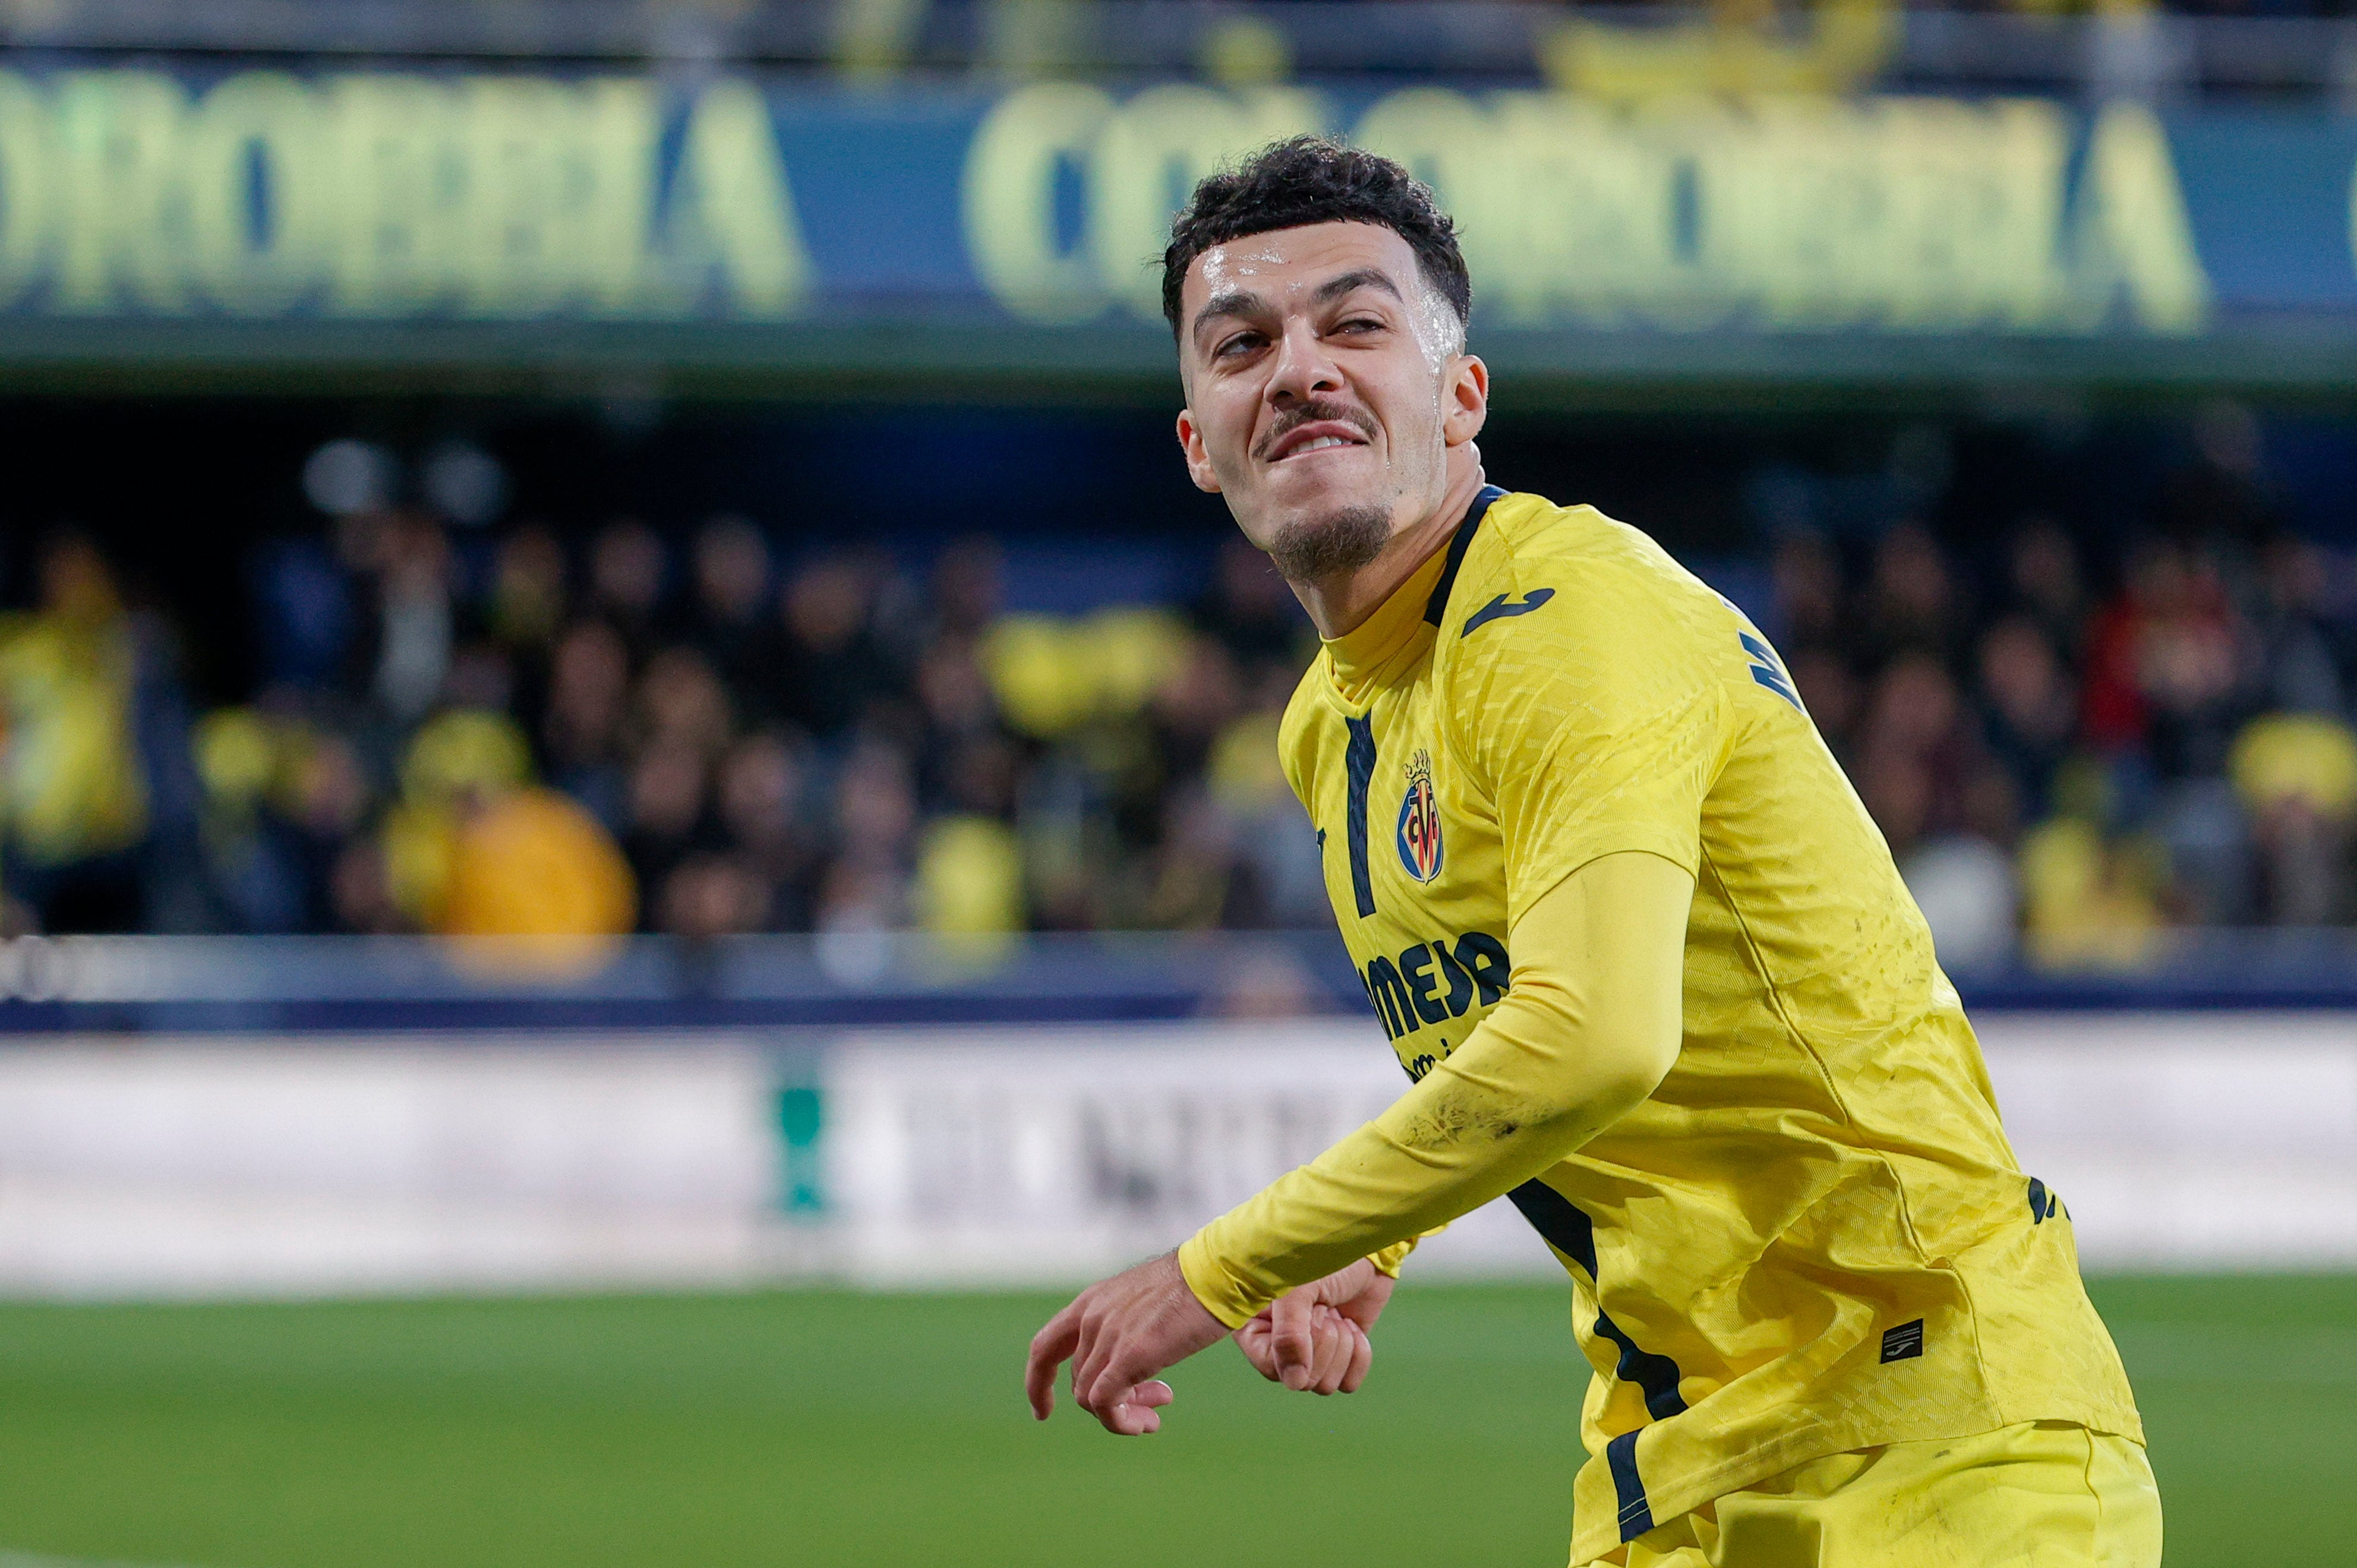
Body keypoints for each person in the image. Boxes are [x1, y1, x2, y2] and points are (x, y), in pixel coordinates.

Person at [1023, 137, 2158, 1568]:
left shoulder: (1565, 616)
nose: (1298, 368)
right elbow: (1501, 1031)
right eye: (1240, 344)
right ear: (1200, 442)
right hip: (1670, 1469)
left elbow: (1590, 1039)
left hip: (1936, 1446)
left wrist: (1227, 1267)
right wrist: (1377, 1243)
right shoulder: (1332, 725)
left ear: (1462, 395)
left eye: (1356, 324)